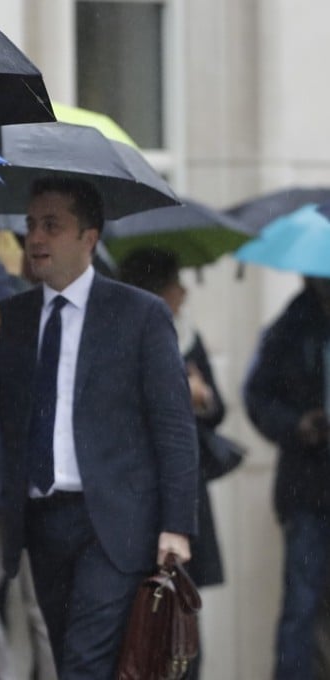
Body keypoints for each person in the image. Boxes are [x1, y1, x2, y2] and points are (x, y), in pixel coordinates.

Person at [0, 177, 198, 678]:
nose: (36, 238)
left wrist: (177, 525)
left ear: (89, 237)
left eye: (52, 226)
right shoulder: (10, 318)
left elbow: (173, 426)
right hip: (41, 521)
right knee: (69, 659)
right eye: (32, 225)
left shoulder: (139, 315)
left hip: (114, 523)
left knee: (85, 661)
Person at [119, 246, 229, 680]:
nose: (184, 291)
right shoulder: (128, 332)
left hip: (185, 489)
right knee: (140, 615)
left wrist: (201, 396)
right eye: (174, 283)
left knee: (180, 610)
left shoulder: (187, 335)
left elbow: (217, 409)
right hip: (138, 495)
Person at [244, 275, 330, 680]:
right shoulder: (291, 324)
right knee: (302, 605)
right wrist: (297, 425)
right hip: (308, 489)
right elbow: (257, 395)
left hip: (306, 488)